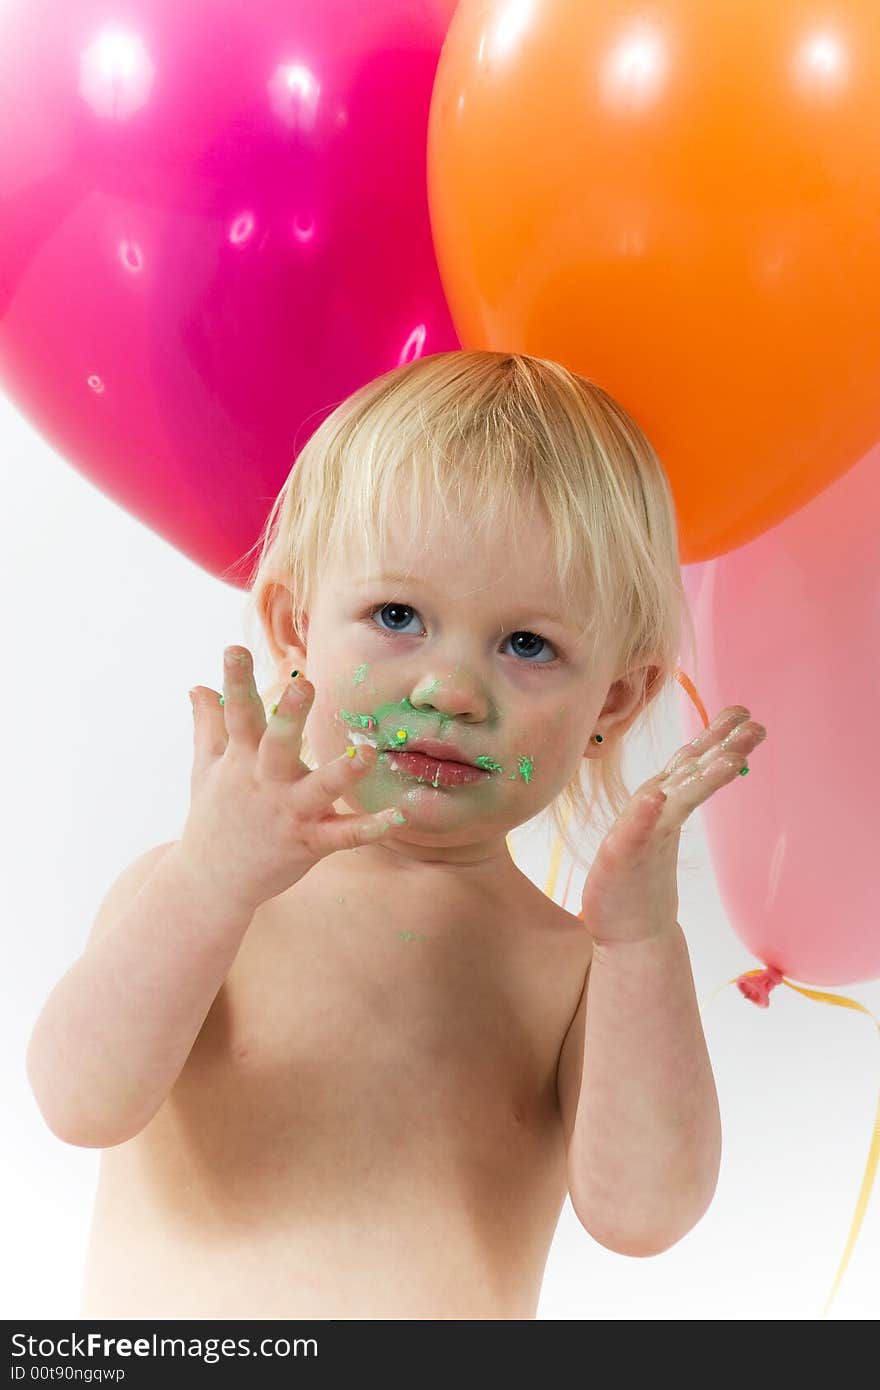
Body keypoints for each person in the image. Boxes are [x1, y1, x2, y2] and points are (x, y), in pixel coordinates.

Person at [26, 350, 763, 1319]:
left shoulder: (573, 964)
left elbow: (644, 1216)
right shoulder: (200, 893)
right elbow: (80, 1105)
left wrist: (640, 940)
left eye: (527, 644)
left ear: (613, 702)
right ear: (295, 626)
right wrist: (210, 880)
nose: (450, 691)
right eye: (398, 615)